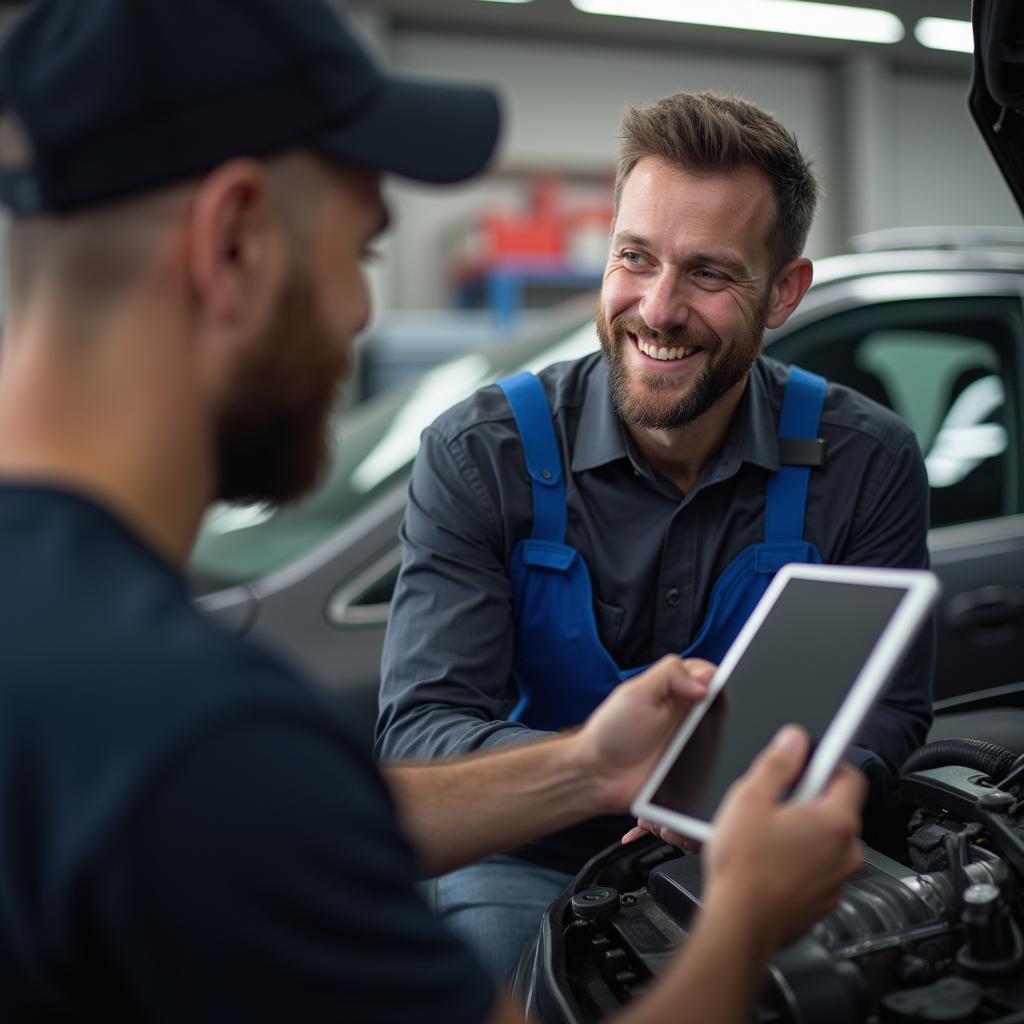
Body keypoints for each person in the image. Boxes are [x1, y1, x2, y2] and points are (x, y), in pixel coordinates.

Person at [0, 2, 866, 1021]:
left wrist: (589, 766)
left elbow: (304, 816)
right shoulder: (195, 741)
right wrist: (744, 922)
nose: (363, 313)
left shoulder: (96, 689)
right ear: (234, 242)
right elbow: (256, 800)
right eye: (361, 251)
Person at [377, 89, 934, 978]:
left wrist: (788, 789)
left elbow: (892, 707)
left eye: (709, 273)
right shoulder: (481, 454)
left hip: (746, 853)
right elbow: (421, 733)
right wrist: (613, 766)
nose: (659, 308)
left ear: (784, 291)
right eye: (636, 258)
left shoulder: (865, 461)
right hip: (528, 855)